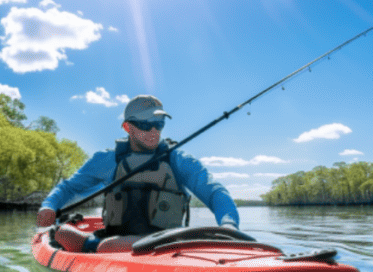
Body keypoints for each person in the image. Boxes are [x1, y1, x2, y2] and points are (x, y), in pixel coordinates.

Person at [37, 95, 240, 252]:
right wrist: (49, 205)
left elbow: (214, 192)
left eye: (159, 123)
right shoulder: (107, 160)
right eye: (145, 124)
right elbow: (70, 187)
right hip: (115, 238)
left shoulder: (179, 160)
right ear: (128, 127)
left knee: (110, 247)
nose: (153, 130)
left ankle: (93, 246)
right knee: (63, 233)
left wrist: (229, 224)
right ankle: (93, 246)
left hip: (166, 243)